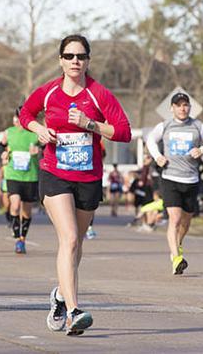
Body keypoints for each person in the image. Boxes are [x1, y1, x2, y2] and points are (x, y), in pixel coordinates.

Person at [19, 34, 131, 335]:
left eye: (80, 56)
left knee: (76, 245)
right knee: (68, 239)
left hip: (88, 177)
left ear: (88, 61)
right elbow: (25, 114)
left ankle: (59, 295)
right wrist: (39, 129)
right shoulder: (48, 92)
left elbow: (123, 131)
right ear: (60, 60)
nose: (75, 61)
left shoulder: (98, 94)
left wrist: (89, 124)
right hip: (54, 173)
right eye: (69, 56)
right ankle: (73, 311)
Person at [146, 92, 203, 275]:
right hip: (170, 177)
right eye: (178, 105)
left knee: (186, 221)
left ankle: (178, 245)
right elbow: (150, 140)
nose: (182, 108)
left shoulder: (197, 126)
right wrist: (158, 156)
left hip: (191, 178)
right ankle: (176, 257)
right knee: (175, 219)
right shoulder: (165, 126)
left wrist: (202, 149)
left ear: (189, 107)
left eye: (185, 105)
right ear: (172, 108)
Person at [1, 108, 40, 253]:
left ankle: (23, 237)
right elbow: (1, 146)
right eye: (17, 117)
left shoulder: (35, 133)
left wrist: (39, 152)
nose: (19, 120)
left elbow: (46, 147)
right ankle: (17, 239)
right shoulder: (9, 132)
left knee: (27, 212)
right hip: (13, 175)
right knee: (15, 205)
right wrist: (3, 153)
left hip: (30, 176)